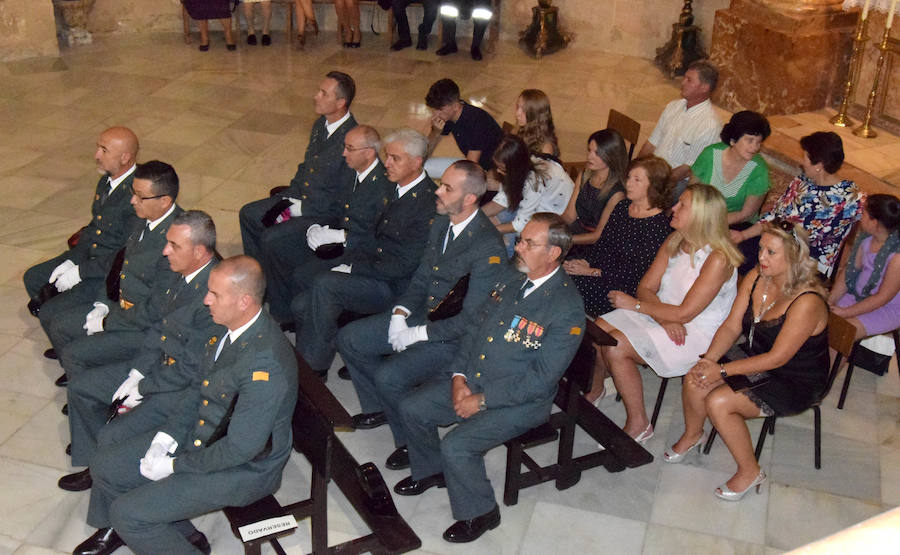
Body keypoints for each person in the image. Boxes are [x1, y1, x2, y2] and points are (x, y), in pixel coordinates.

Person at [72, 256, 298, 555]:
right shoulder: (226, 327)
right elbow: (197, 389)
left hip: (246, 469)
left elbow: (241, 450)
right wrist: (168, 436)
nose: (206, 300)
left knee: (128, 515)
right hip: (208, 437)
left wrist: (174, 465)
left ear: (244, 301)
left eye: (215, 294)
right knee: (105, 465)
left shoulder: (264, 365)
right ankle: (185, 536)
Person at [394, 213, 585, 543]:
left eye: (528, 243)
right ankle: (431, 470)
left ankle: (481, 512)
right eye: (521, 238)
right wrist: (458, 378)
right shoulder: (512, 277)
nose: (518, 246)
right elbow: (475, 330)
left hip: (520, 401)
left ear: (554, 253)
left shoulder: (566, 309)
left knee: (457, 446)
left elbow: (539, 381)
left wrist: (480, 401)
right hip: (475, 378)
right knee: (413, 407)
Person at [336, 160, 506, 471]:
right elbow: (423, 277)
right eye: (441, 184)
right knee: (351, 339)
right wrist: (401, 313)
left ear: (470, 198)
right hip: (423, 314)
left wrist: (418, 334)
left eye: (447, 188)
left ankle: (424, 460)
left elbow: (470, 320)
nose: (437, 191)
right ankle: (383, 410)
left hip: (451, 338)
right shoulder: (442, 222)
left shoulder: (487, 248)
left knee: (390, 376)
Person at [666, 221, 828, 501]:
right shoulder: (756, 276)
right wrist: (709, 360)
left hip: (795, 378)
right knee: (697, 376)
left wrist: (723, 370)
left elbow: (778, 358)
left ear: (792, 256)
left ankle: (750, 471)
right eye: (761, 249)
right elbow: (731, 326)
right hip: (756, 355)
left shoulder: (807, 302)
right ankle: (694, 434)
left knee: (719, 402)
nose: (761, 257)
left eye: (770, 252)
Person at [61, 211, 221, 492]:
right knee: (81, 388)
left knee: (113, 434)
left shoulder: (214, 295)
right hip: (154, 366)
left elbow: (191, 368)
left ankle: (106, 478)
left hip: (177, 385)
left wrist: (144, 387)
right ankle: (93, 463)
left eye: (174, 245)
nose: (165, 250)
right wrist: (135, 373)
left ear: (198, 251)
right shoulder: (182, 272)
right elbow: (160, 331)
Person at [598, 184, 741, 441]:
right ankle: (596, 389)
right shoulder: (675, 240)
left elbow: (686, 313)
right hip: (663, 316)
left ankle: (639, 423)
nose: (673, 208)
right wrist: (660, 317)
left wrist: (638, 306)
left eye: (682, 205)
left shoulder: (717, 259)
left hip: (695, 333)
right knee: (599, 329)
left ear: (701, 215)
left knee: (616, 344)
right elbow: (645, 287)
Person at [291, 129, 437, 376]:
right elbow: (373, 234)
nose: (386, 164)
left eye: (395, 159)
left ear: (417, 162)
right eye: (387, 156)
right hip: (372, 266)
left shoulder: (427, 205)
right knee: (301, 304)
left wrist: (353, 267)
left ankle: (312, 371)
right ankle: (322, 353)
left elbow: (404, 265)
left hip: (393, 285)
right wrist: (346, 245)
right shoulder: (394, 186)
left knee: (326, 285)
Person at [41, 161, 183, 386]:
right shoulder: (145, 220)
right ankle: (88, 387)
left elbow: (157, 308)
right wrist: (103, 303)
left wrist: (108, 322)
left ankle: (91, 397)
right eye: (133, 193)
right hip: (121, 307)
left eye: (140, 196)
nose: (132, 200)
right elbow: (121, 267)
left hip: (143, 326)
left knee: (73, 353)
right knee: (60, 326)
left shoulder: (177, 241)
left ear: (164, 201)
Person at [263, 125, 392, 323]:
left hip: (356, 250)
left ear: (368, 153)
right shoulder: (353, 172)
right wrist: (316, 227)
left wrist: (337, 236)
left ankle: (306, 321)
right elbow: (337, 206)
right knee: (280, 246)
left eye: (350, 148)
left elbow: (374, 235)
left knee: (302, 275)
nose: (343, 153)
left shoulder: (382, 186)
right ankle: (284, 313)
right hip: (335, 233)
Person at [239, 72, 357, 266]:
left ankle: (275, 286)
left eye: (323, 93)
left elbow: (343, 195)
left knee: (272, 239)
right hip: (300, 195)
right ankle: (256, 275)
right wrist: (289, 195)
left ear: (340, 102)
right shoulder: (321, 125)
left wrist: (302, 208)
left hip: (321, 211)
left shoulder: (352, 140)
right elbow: (307, 167)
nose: (315, 96)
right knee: (249, 214)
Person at [24, 127, 141, 306]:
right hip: (88, 254)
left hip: (107, 267)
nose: (96, 155)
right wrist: (72, 260)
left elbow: (123, 254)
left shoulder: (138, 194)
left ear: (124, 157)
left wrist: (80, 271)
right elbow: (94, 228)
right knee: (34, 278)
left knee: (58, 312)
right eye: (98, 148)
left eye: (104, 151)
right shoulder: (106, 182)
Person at [732, 131, 863, 276]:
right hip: (776, 243)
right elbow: (775, 216)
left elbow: (807, 238)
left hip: (806, 261)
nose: (802, 162)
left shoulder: (850, 198)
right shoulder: (802, 181)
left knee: (749, 263)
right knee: (731, 251)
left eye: (805, 157)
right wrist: (743, 235)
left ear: (819, 165)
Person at [564, 155, 672, 329]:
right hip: (596, 272)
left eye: (637, 180)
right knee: (559, 271)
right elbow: (602, 244)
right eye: (629, 177)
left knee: (565, 287)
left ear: (654, 186)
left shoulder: (659, 227)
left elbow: (634, 275)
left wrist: (590, 271)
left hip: (620, 287)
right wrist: (584, 262)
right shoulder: (622, 207)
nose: (628, 184)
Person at [481, 135, 574, 254]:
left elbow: (520, 224)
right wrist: (474, 215)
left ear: (514, 169)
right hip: (534, 205)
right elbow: (502, 200)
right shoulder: (522, 165)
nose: (498, 171)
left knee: (509, 243)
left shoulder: (534, 181)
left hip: (554, 217)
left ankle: (509, 265)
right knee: (492, 220)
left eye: (502, 169)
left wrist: (493, 230)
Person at [638, 60, 721, 185]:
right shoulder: (673, 106)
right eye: (684, 78)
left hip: (677, 182)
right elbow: (652, 143)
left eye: (689, 80)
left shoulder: (709, 125)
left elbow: (688, 169)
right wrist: (636, 168)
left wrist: (656, 184)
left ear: (704, 87)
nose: (682, 83)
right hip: (654, 172)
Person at [830, 194, 900, 340]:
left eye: (864, 213)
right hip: (857, 294)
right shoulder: (866, 239)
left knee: (842, 333)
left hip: (886, 307)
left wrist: (847, 312)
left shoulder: (897, 258)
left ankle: (834, 362)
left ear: (875, 223)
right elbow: (848, 274)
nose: (860, 216)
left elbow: (882, 297)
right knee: (822, 319)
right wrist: (830, 301)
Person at [691, 110, 771, 227]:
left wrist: (711, 224)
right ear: (733, 140)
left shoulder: (759, 169)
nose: (755, 147)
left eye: (759, 142)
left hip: (735, 224)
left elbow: (746, 214)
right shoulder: (710, 154)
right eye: (750, 140)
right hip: (700, 215)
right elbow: (692, 190)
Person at [560, 129, 628, 250]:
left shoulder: (617, 192)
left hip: (596, 245)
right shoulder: (585, 175)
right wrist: (550, 226)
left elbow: (598, 235)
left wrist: (565, 239)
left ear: (611, 156)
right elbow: (569, 216)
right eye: (589, 150)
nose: (589, 156)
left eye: (597, 153)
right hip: (576, 232)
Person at [424, 78, 503, 178]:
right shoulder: (449, 116)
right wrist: (435, 132)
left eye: (440, 109)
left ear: (456, 106)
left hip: (491, 172)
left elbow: (470, 168)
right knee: (424, 166)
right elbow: (424, 154)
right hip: (474, 165)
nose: (435, 114)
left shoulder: (476, 121)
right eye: (433, 109)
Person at [513, 89, 559, 158]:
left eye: (524, 110)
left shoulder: (545, 149)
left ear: (535, 115)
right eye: (518, 107)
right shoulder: (518, 130)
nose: (517, 113)